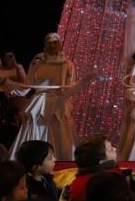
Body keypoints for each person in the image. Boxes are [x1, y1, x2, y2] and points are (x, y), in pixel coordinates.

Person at [8, 32, 91, 160]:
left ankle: (58, 158)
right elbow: (30, 84)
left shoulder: (67, 64)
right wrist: (13, 88)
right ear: (45, 45)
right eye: (50, 43)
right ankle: (34, 158)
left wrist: (82, 83)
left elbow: (69, 87)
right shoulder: (36, 62)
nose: (53, 45)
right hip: (39, 101)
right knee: (36, 127)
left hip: (57, 101)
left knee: (59, 130)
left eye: (56, 42)